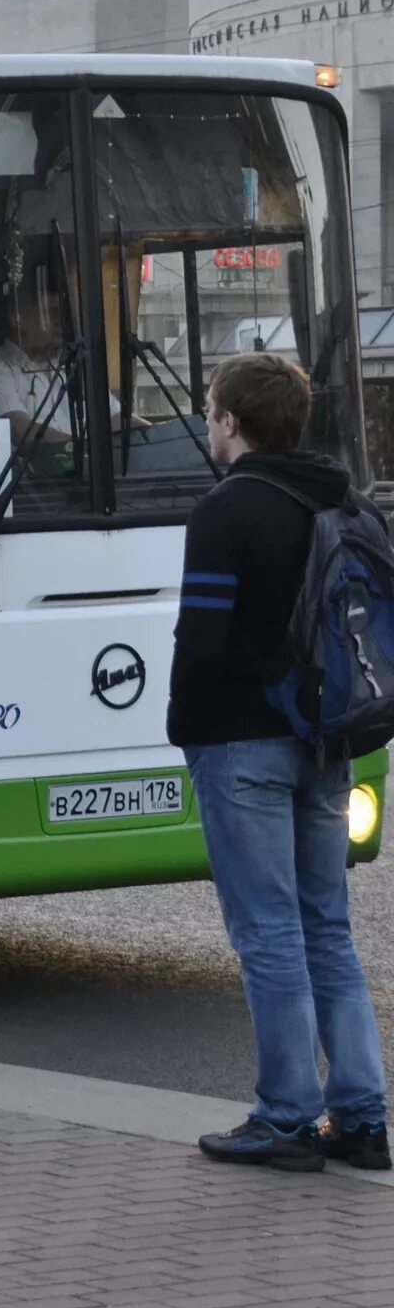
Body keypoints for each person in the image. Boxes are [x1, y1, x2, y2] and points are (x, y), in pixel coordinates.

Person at [173, 351, 389, 1172]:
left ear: (232, 421)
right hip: (328, 739)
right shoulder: (347, 501)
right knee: (326, 929)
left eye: (211, 410)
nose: (207, 422)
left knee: (266, 933)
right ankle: (363, 1117)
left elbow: (202, 642)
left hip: (242, 743)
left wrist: (184, 727)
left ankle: (288, 1118)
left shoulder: (228, 511)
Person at [0, 283, 133, 450]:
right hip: (31, 480)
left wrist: (156, 432)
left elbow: (114, 416)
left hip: (83, 476)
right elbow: (23, 434)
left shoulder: (71, 366)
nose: (59, 321)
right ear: (17, 318)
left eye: (61, 313)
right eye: (50, 313)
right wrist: (87, 451)